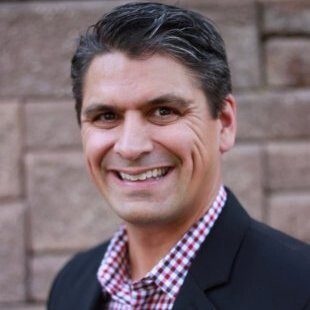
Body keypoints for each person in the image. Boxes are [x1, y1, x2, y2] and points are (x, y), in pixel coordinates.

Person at [48, 2, 310, 309]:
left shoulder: (299, 289)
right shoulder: (70, 284)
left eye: (163, 111)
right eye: (106, 116)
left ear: (224, 123)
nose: (131, 147)